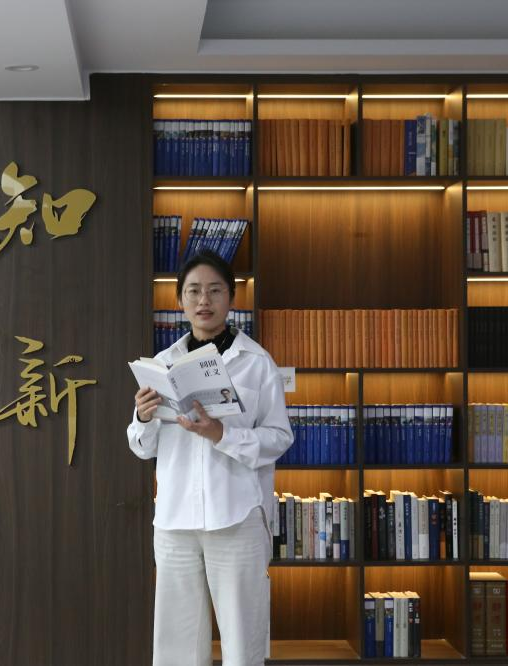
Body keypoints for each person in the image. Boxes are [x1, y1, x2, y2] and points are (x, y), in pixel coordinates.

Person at [127, 249, 293, 666]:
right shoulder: (161, 366)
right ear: (180, 300)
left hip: (236, 517)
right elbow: (142, 447)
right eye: (194, 291)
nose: (204, 300)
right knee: (176, 646)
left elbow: (279, 438)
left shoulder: (256, 363)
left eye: (215, 291)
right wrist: (142, 417)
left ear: (231, 298)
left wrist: (223, 435)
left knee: (242, 641)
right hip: (175, 522)